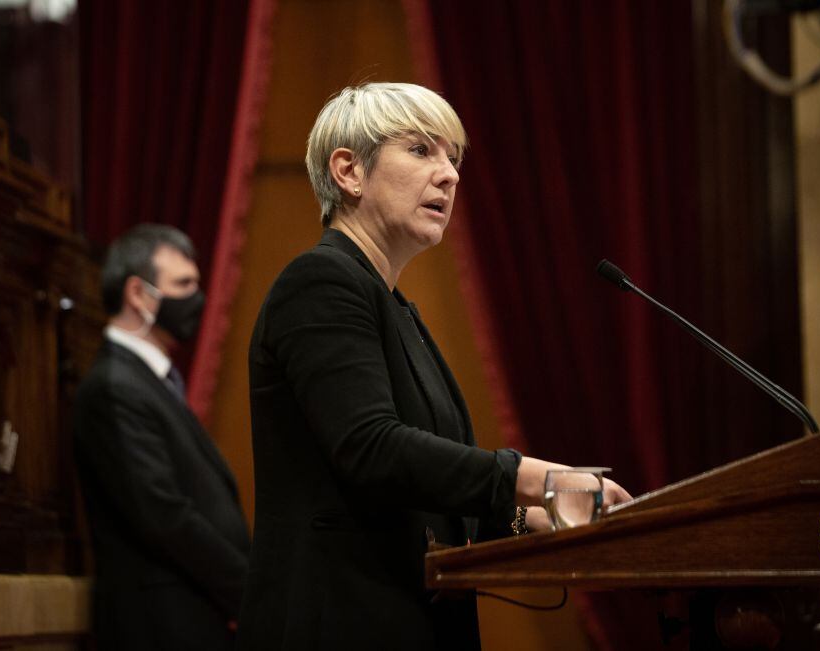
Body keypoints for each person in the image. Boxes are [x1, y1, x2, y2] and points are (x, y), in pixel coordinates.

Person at [235, 83, 631, 650]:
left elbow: (423, 492)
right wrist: (538, 480)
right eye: (422, 150)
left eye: (453, 157)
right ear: (349, 171)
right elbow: (372, 449)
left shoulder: (393, 305)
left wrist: (534, 521)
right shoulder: (320, 283)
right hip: (339, 623)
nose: (450, 175)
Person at [73, 224, 250, 650]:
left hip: (193, 617)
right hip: (160, 627)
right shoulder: (115, 386)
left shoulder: (151, 380)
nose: (197, 298)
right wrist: (251, 592)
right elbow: (163, 514)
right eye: (183, 284)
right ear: (138, 294)